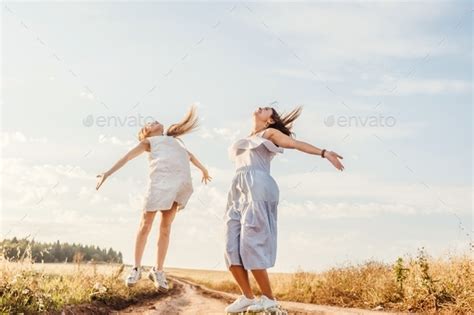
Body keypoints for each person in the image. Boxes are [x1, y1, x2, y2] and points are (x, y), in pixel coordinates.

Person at [224, 106, 344, 312]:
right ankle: (248, 296)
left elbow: (295, 144)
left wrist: (324, 153)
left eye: (266, 110)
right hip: (237, 190)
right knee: (230, 248)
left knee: (251, 244)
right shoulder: (246, 137)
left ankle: (269, 298)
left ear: (270, 120)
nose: (261, 107)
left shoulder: (269, 133)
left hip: (258, 187)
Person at [96, 106, 211, 291]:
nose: (154, 121)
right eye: (149, 123)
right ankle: (136, 268)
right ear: (146, 132)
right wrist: (107, 173)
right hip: (159, 186)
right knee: (145, 225)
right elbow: (127, 157)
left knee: (165, 228)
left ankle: (158, 270)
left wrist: (203, 170)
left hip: (178, 186)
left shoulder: (174, 142)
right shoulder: (149, 142)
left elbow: (190, 156)